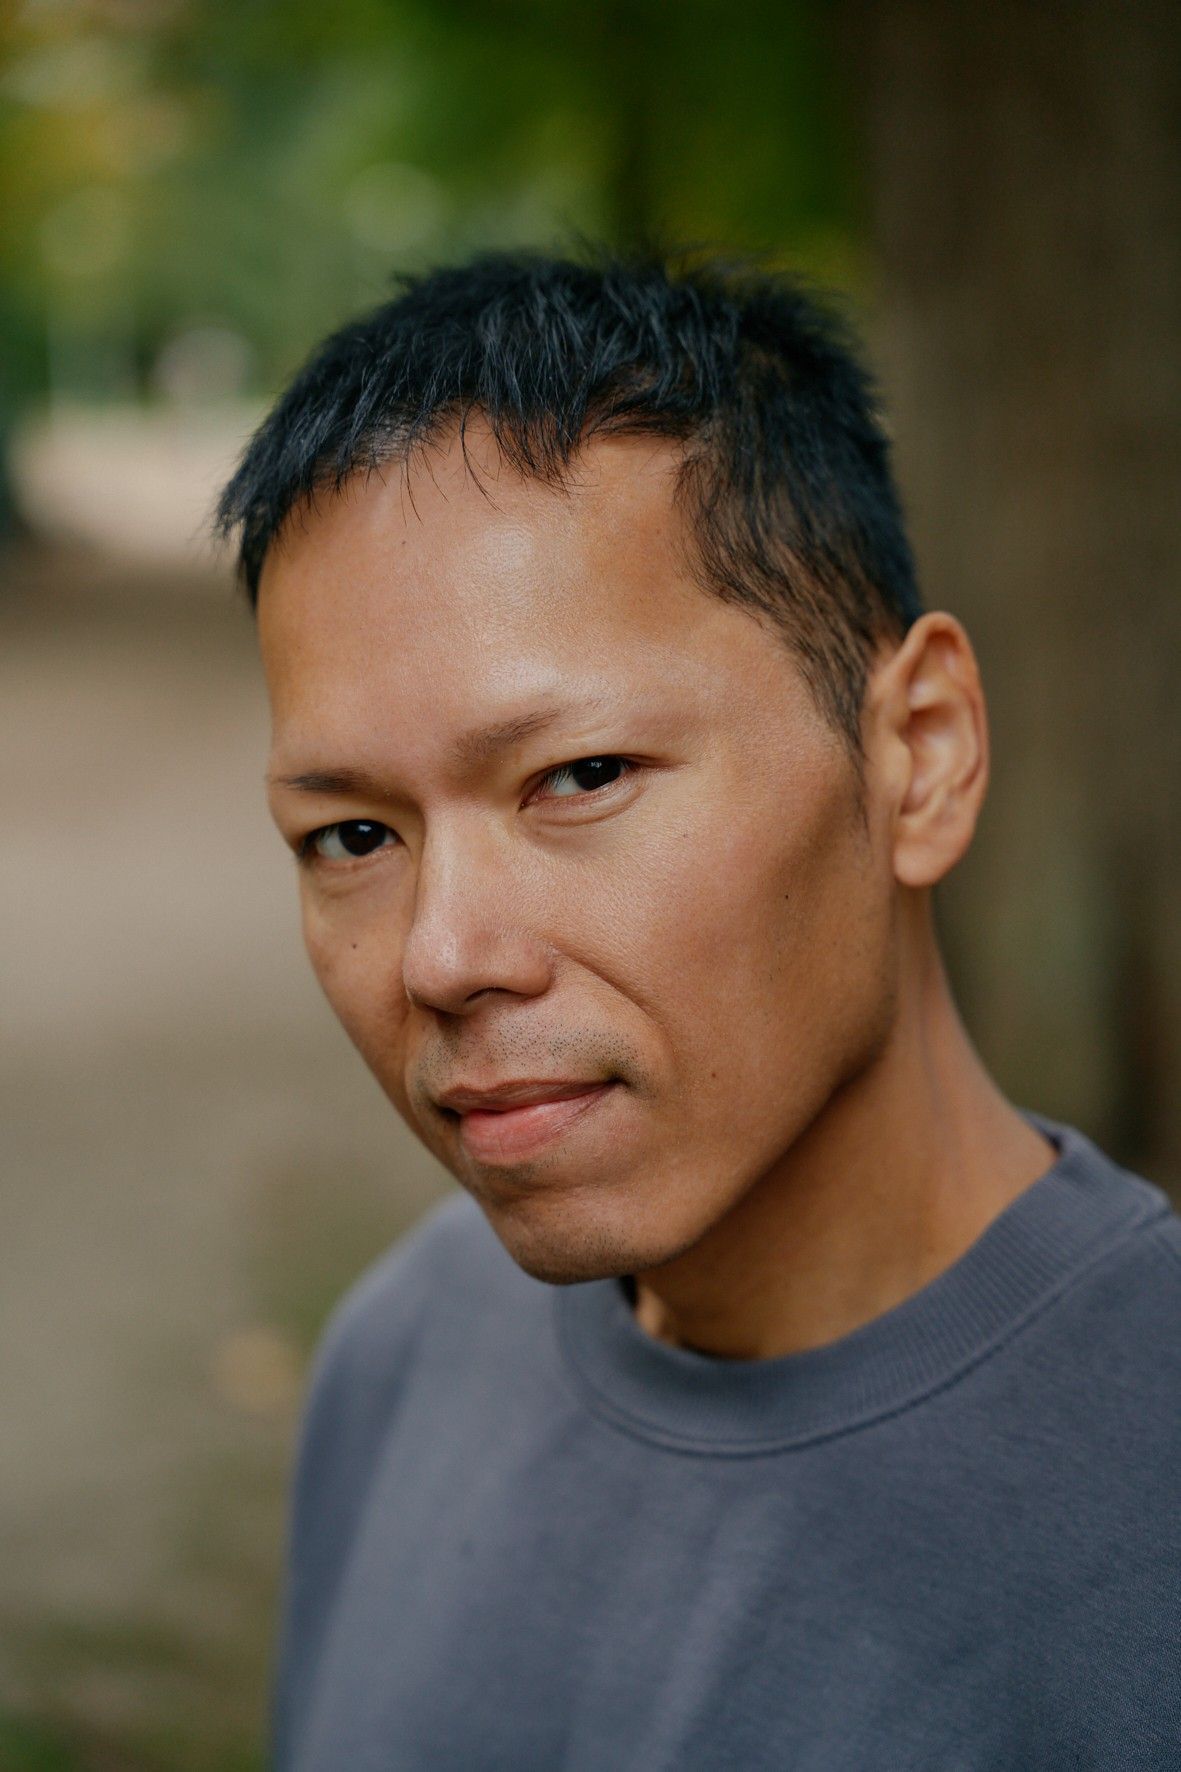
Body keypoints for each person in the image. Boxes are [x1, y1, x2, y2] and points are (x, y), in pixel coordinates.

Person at [217, 252, 1181, 1770]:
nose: (442, 955)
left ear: (918, 754)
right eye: (351, 835)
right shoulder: (405, 1351)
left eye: (582, 776)